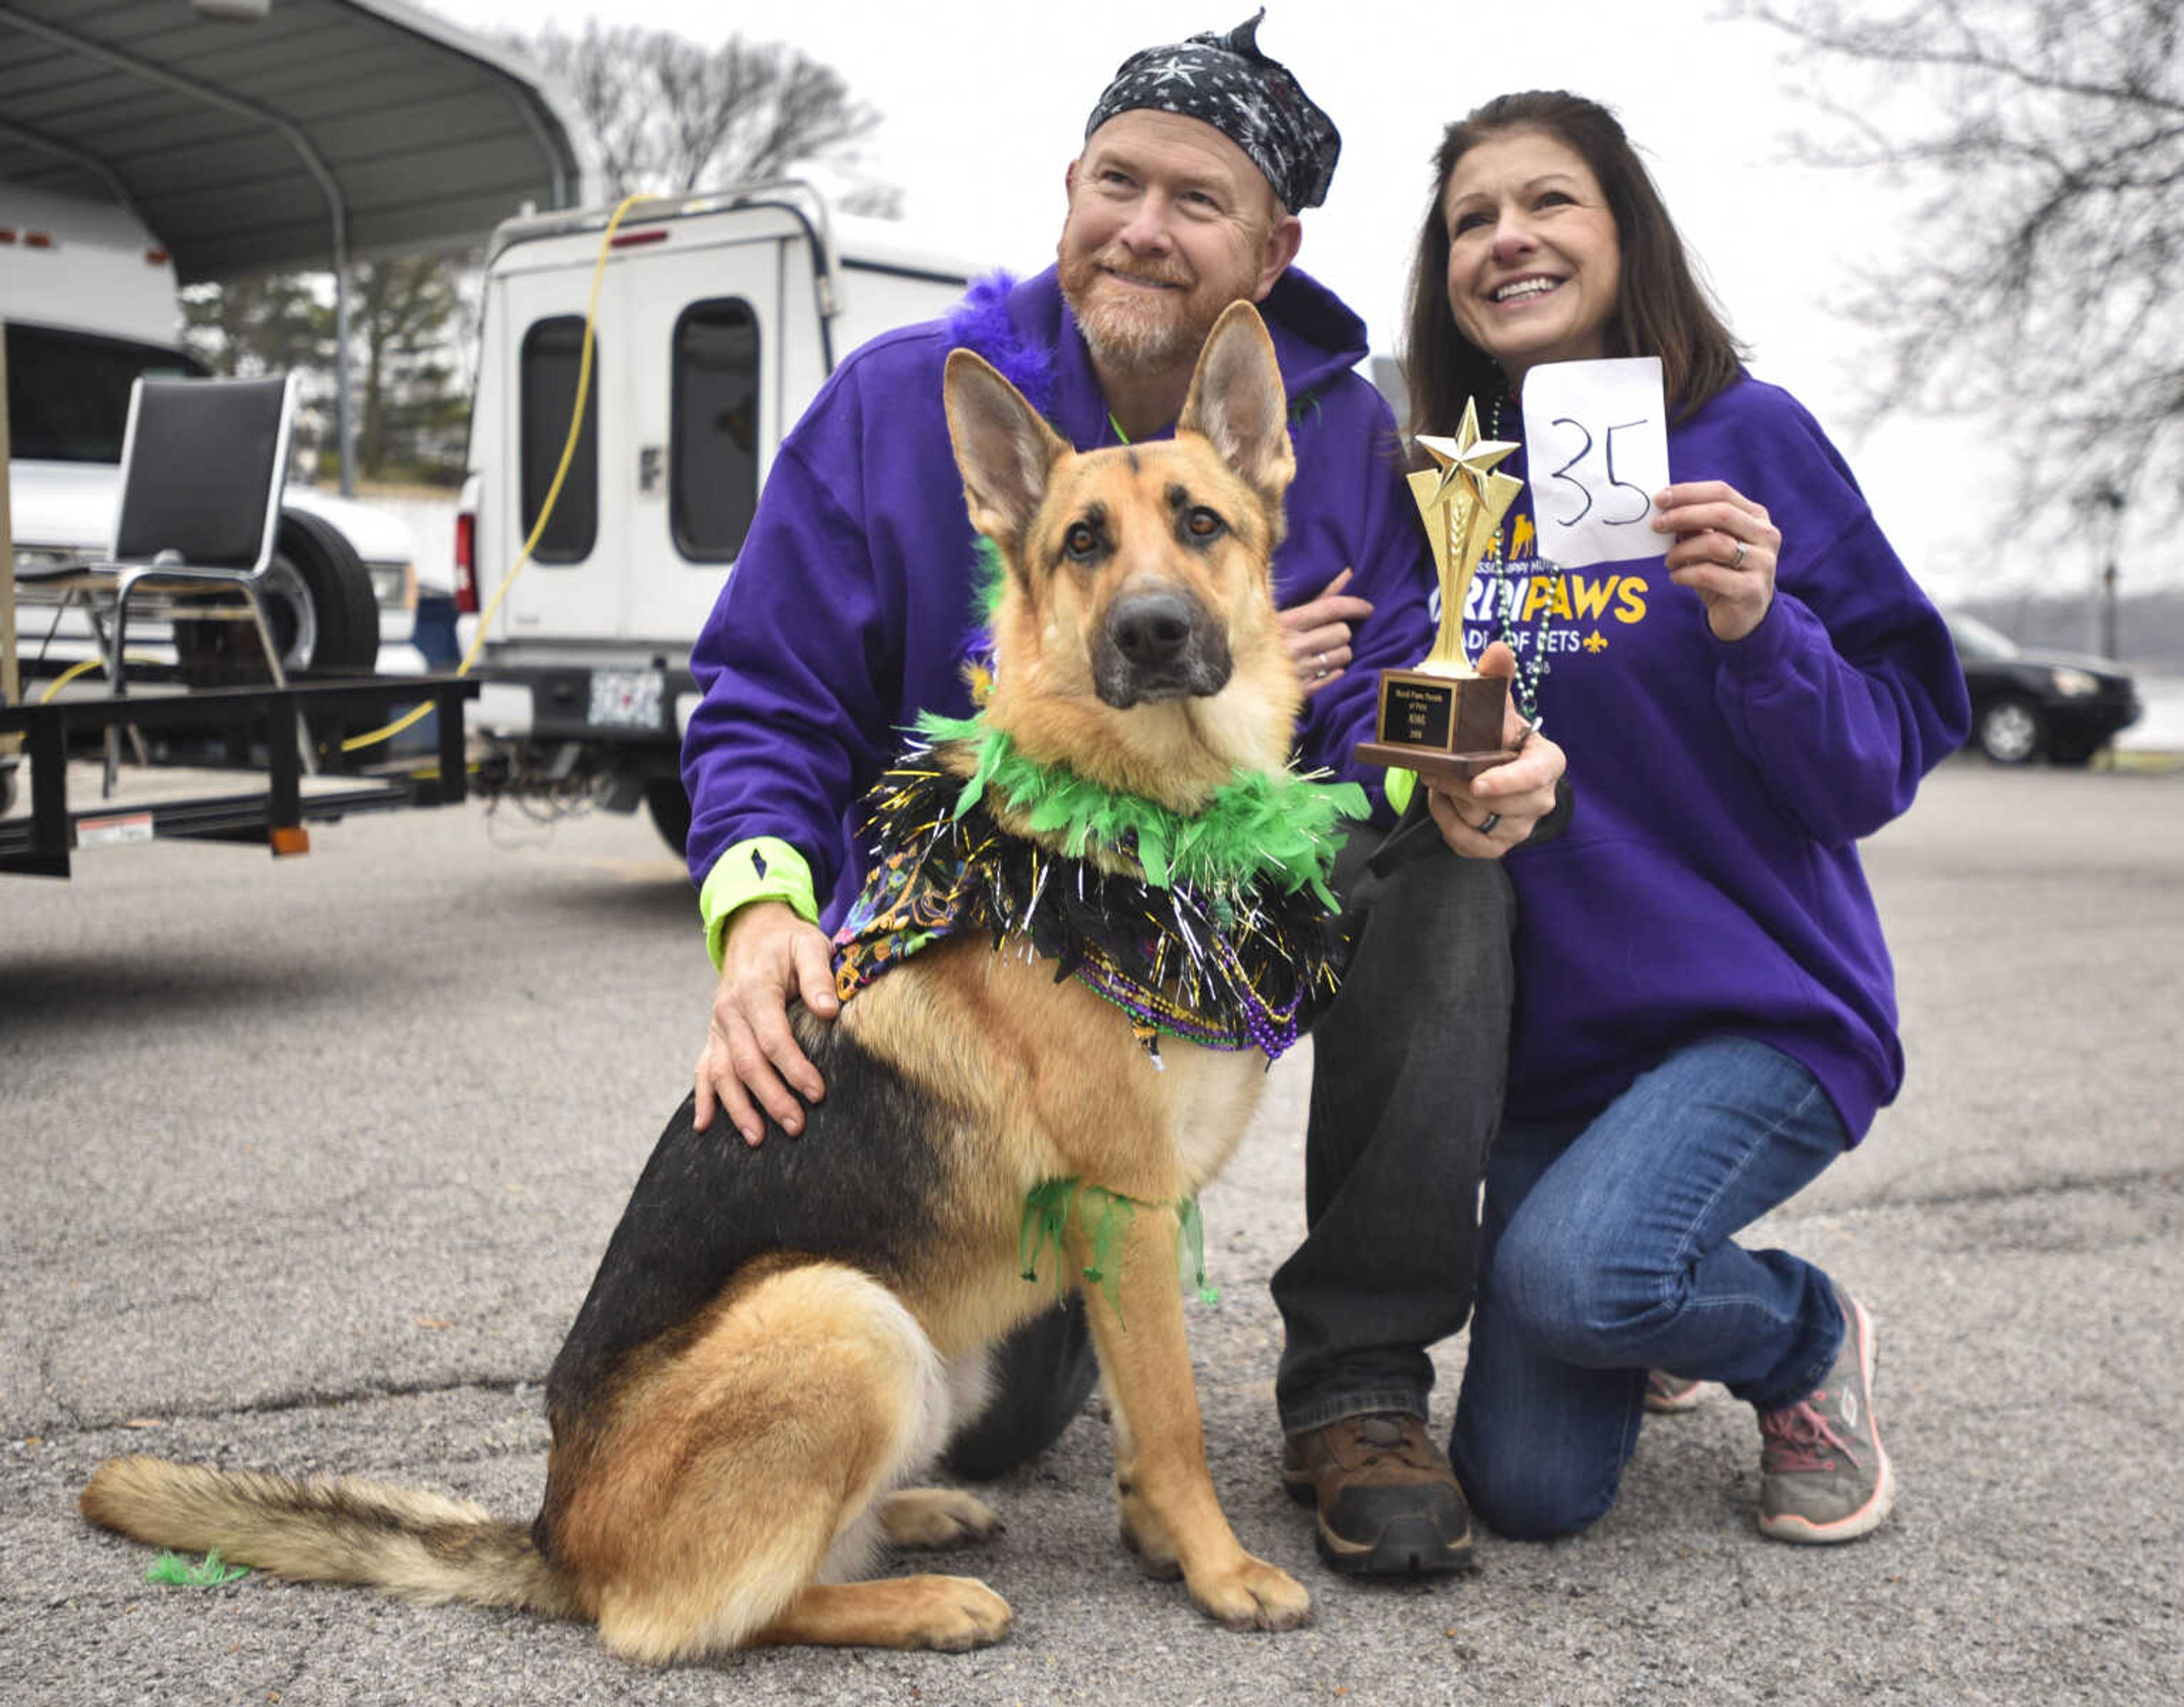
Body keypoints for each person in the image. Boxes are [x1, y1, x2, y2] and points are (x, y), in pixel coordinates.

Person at [678, 16, 1565, 1576]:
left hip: (1235, 897)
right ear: (1069, 188)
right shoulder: (903, 405)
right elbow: (767, 694)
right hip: (994, 959)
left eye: (1198, 200)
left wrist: (1467, 744)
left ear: (1273, 246)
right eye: (1117, 180)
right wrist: (759, 909)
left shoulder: (1337, 428)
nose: (1143, 227)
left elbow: (1372, 693)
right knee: (996, 1420)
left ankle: (1356, 1375)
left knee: (1450, 870)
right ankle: (1064, 1325)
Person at [1395, 90, 1971, 1544]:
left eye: (1548, 203)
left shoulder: (1748, 439)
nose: (1507, 239)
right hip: (1558, 1051)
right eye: (1474, 218)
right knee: (1524, 1493)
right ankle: (1636, 1279)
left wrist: (1763, 628)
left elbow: (1885, 751)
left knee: (1572, 1281)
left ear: (1624, 228)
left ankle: (1800, 1333)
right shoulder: (1452, 484)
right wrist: (1406, 730)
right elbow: (1417, 733)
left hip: (1758, 1008)